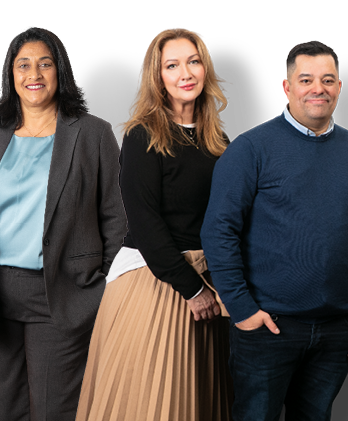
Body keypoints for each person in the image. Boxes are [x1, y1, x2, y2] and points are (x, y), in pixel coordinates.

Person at [201, 40, 348, 421]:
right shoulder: (250, 149)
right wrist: (242, 310)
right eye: (306, 79)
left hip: (338, 330)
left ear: (339, 87)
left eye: (328, 79)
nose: (318, 88)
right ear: (287, 87)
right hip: (267, 327)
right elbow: (219, 233)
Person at [0, 27, 128, 421]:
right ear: (10, 75)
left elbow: (116, 219)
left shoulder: (94, 133)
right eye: (23, 65)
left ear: (60, 72)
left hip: (62, 294)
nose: (33, 74)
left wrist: (98, 286)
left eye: (44, 63)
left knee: (55, 409)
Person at [77, 27, 232, 421]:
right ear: (157, 77)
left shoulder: (218, 141)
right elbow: (146, 224)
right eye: (172, 65)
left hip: (207, 287)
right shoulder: (142, 134)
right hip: (157, 281)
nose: (186, 73)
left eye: (193, 61)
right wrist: (193, 288)